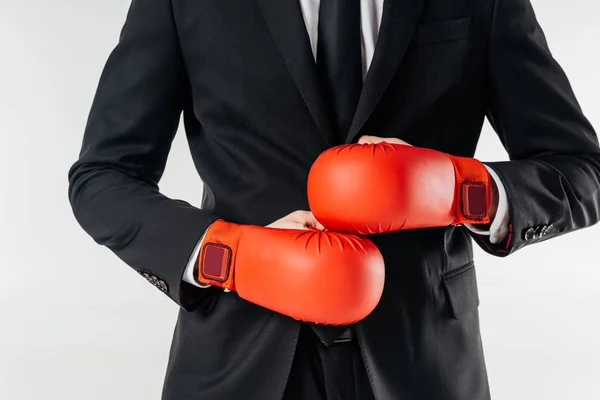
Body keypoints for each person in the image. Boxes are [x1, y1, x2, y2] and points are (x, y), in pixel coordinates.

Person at [67, 0, 600, 399]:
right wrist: (228, 255)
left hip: (424, 365)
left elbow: (582, 169)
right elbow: (103, 175)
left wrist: (461, 190)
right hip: (238, 361)